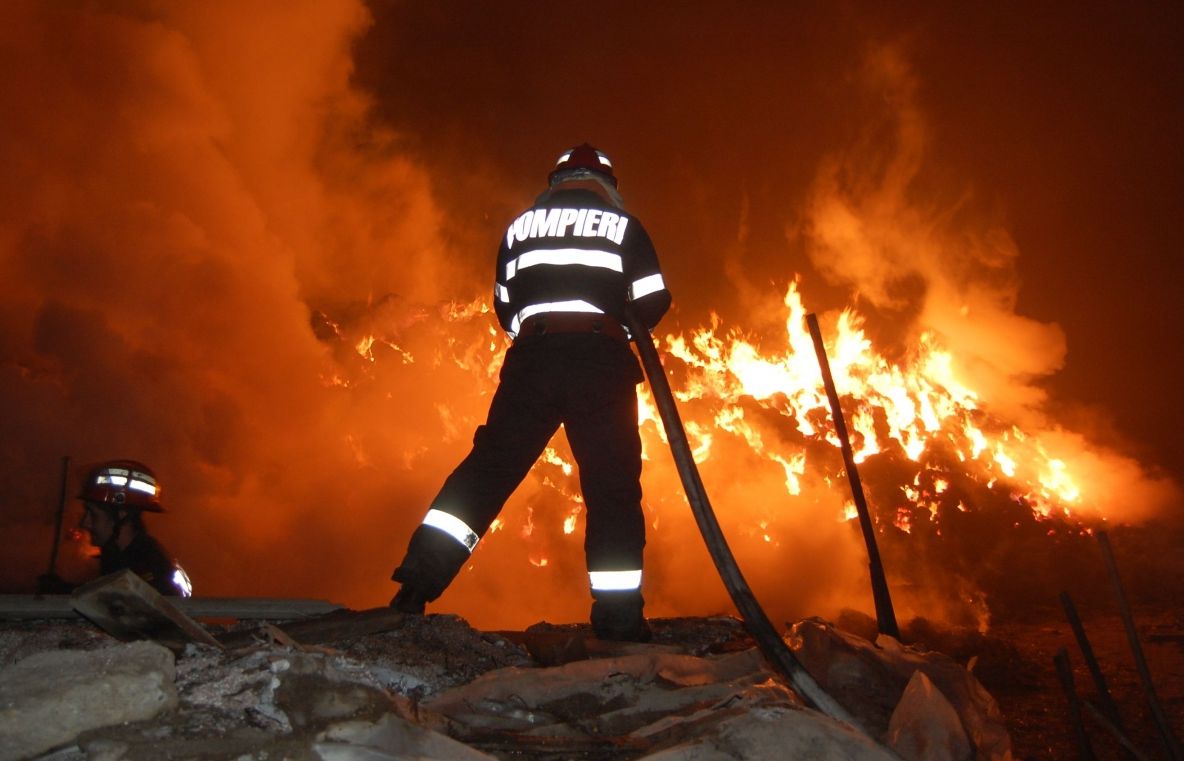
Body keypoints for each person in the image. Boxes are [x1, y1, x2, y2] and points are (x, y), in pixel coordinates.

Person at [389, 143, 671, 641]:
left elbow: (503, 307)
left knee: (488, 471)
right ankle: (619, 620)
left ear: (556, 181)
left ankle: (415, 586)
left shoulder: (519, 228)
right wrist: (613, 325)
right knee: (611, 488)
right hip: (598, 362)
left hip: (533, 359)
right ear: (607, 183)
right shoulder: (625, 227)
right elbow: (654, 299)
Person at [40, 460, 192, 597]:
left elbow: (120, 606)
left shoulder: (149, 564)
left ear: (121, 515)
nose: (84, 523)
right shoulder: (117, 556)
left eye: (93, 514)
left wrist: (65, 593)